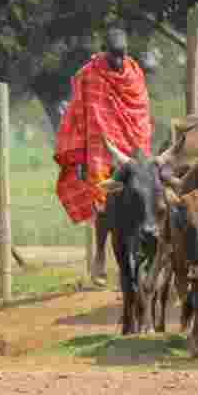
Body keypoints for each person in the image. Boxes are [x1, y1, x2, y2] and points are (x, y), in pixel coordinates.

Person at [53, 27, 153, 284]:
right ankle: (99, 255)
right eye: (113, 56)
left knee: (141, 200)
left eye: (122, 55)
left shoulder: (135, 75)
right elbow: (77, 112)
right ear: (105, 52)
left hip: (132, 148)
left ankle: (138, 260)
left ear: (126, 52)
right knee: (104, 206)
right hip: (100, 151)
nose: (118, 62)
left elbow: (140, 112)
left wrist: (139, 149)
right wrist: (78, 150)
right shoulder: (90, 75)